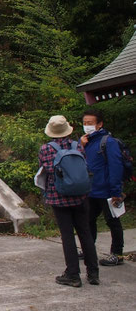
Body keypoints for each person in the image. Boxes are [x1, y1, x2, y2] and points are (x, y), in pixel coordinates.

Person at [38, 115, 99, 287]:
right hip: (81, 196)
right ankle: (93, 273)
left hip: (59, 198)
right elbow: (84, 167)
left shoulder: (46, 149)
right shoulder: (77, 145)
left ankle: (73, 274)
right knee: (85, 233)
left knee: (67, 236)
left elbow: (47, 171)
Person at [80, 109, 125, 267]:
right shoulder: (86, 142)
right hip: (91, 190)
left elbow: (116, 167)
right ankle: (88, 248)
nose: (87, 126)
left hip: (106, 190)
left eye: (90, 123)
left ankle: (117, 254)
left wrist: (116, 191)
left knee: (113, 222)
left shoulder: (108, 142)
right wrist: (81, 146)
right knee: (88, 220)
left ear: (100, 124)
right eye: (85, 123)